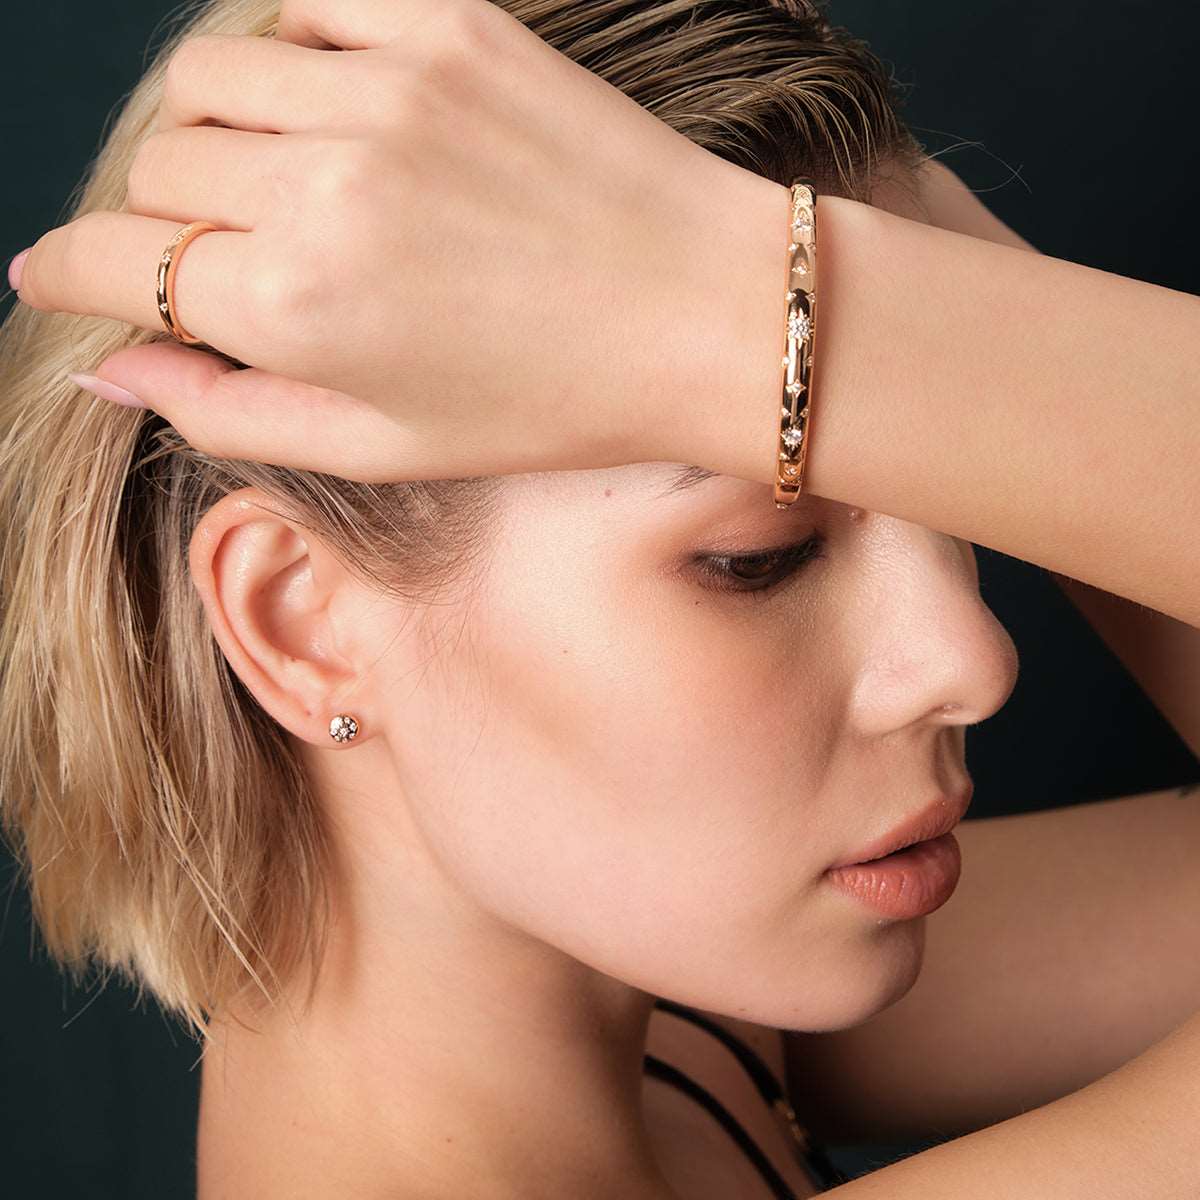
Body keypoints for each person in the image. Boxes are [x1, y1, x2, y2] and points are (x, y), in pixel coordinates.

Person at [2, 1, 1198, 1198]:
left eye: (965, 502)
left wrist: (834, 230)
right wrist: (768, 302)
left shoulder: (671, 1024)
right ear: (299, 622)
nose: (971, 657)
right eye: (761, 557)